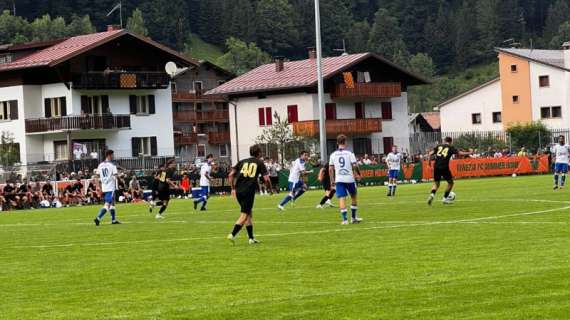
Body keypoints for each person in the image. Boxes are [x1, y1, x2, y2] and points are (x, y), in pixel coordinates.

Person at [227, 145, 271, 245]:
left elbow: (230, 175)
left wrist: (233, 188)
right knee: (244, 215)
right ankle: (232, 234)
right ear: (259, 153)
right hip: (248, 191)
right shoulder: (259, 162)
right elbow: (266, 179)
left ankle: (251, 238)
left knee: (248, 213)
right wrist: (270, 189)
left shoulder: (242, 161)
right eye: (261, 152)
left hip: (239, 191)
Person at [427, 137, 471, 205]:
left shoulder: (439, 146)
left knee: (436, 184)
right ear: (451, 142)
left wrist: (429, 163)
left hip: (436, 167)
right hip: (444, 167)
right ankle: (445, 199)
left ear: (444, 141)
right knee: (450, 183)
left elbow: (430, 154)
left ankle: (432, 195)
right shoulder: (450, 147)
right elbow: (460, 153)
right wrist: (470, 152)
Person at [329, 134, 363, 225]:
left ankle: (345, 220)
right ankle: (353, 218)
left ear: (337, 143)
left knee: (342, 198)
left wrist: (332, 181)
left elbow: (330, 169)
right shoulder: (349, 153)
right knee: (354, 196)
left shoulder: (333, 155)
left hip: (339, 179)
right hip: (349, 179)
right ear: (345, 142)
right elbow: (355, 166)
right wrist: (359, 174)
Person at [93, 150, 120, 226]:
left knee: (112, 203)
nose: (113, 156)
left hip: (104, 187)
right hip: (111, 187)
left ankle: (113, 220)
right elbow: (115, 176)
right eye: (112, 155)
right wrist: (117, 176)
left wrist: (98, 186)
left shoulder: (100, 165)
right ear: (109, 155)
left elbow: (96, 176)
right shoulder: (112, 165)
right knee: (107, 204)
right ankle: (98, 218)